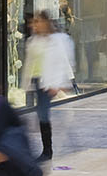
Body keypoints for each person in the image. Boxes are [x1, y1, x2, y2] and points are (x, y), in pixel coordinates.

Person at [21, 10, 75, 162]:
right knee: (40, 114)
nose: (34, 25)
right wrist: (25, 85)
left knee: (42, 114)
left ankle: (47, 151)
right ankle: (45, 148)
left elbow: (65, 61)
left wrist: (60, 83)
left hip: (49, 82)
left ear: (46, 22)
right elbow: (29, 64)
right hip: (37, 81)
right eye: (34, 22)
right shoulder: (33, 41)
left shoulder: (58, 40)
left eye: (38, 21)